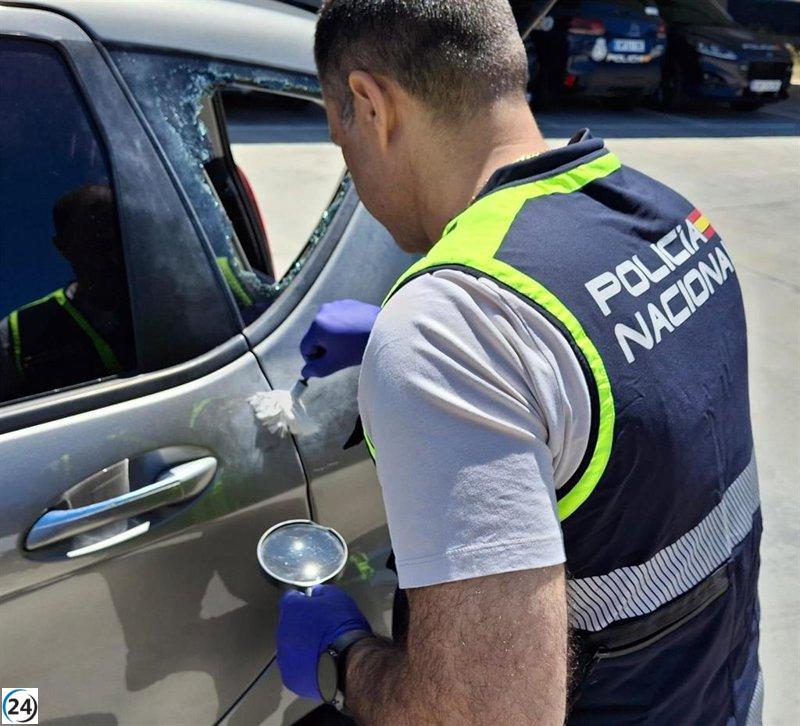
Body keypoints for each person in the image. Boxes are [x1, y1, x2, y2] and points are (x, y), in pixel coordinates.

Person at [278, 1, 762, 724]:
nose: (350, 165)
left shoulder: (451, 329)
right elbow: (627, 410)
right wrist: (481, 359)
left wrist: (343, 660)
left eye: (339, 138)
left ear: (370, 105)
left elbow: (487, 714)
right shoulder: (670, 219)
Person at [0, 184, 135, 403]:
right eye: (95, 241)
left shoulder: (179, 294)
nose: (113, 255)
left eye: (119, 235)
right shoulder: (18, 335)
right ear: (63, 246)